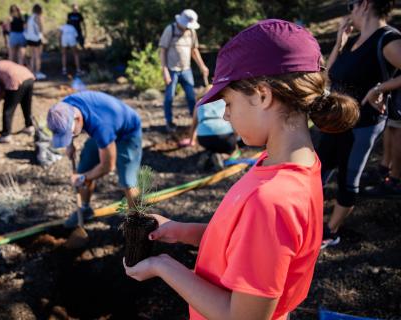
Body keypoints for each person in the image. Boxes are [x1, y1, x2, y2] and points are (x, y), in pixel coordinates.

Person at [124, 19, 360, 320]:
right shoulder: (287, 165)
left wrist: (164, 266)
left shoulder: (272, 199)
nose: (225, 115)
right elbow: (245, 244)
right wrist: (182, 230)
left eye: (229, 102)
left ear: (262, 95)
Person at [320, 0, 401, 247]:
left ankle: (331, 232)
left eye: (350, 5)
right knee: (318, 169)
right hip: (335, 120)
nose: (349, 12)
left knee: (348, 176)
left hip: (362, 124)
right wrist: (339, 44)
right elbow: (327, 76)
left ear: (364, 5)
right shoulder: (354, 40)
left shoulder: (387, 39)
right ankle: (307, 219)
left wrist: (381, 88)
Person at [47, 90, 142, 226]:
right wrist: (69, 144)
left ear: (78, 120)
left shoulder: (101, 127)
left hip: (128, 132)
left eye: (71, 134)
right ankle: (85, 209)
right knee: (85, 167)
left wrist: (83, 178)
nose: (70, 136)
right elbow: (67, 127)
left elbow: (108, 166)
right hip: (102, 127)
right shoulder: (61, 109)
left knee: (128, 180)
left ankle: (137, 220)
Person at [159, 9, 209, 132]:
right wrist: (164, 70)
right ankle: (169, 122)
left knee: (191, 97)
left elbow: (194, 50)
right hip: (172, 70)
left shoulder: (191, 32)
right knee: (169, 97)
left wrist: (202, 66)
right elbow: (163, 50)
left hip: (186, 70)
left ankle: (195, 122)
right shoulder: (170, 29)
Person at [179, 99, 239, 170]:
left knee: (212, 144)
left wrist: (191, 141)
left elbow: (194, 125)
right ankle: (222, 156)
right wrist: (235, 138)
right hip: (224, 136)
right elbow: (234, 121)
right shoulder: (225, 100)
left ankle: (209, 154)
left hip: (204, 138)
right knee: (235, 150)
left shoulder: (199, 102)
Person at [24, 4, 46, 80]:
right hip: (36, 39)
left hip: (30, 38)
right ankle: (38, 72)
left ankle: (32, 72)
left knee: (32, 55)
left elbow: (26, 27)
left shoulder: (30, 17)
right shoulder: (38, 17)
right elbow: (41, 28)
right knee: (37, 56)